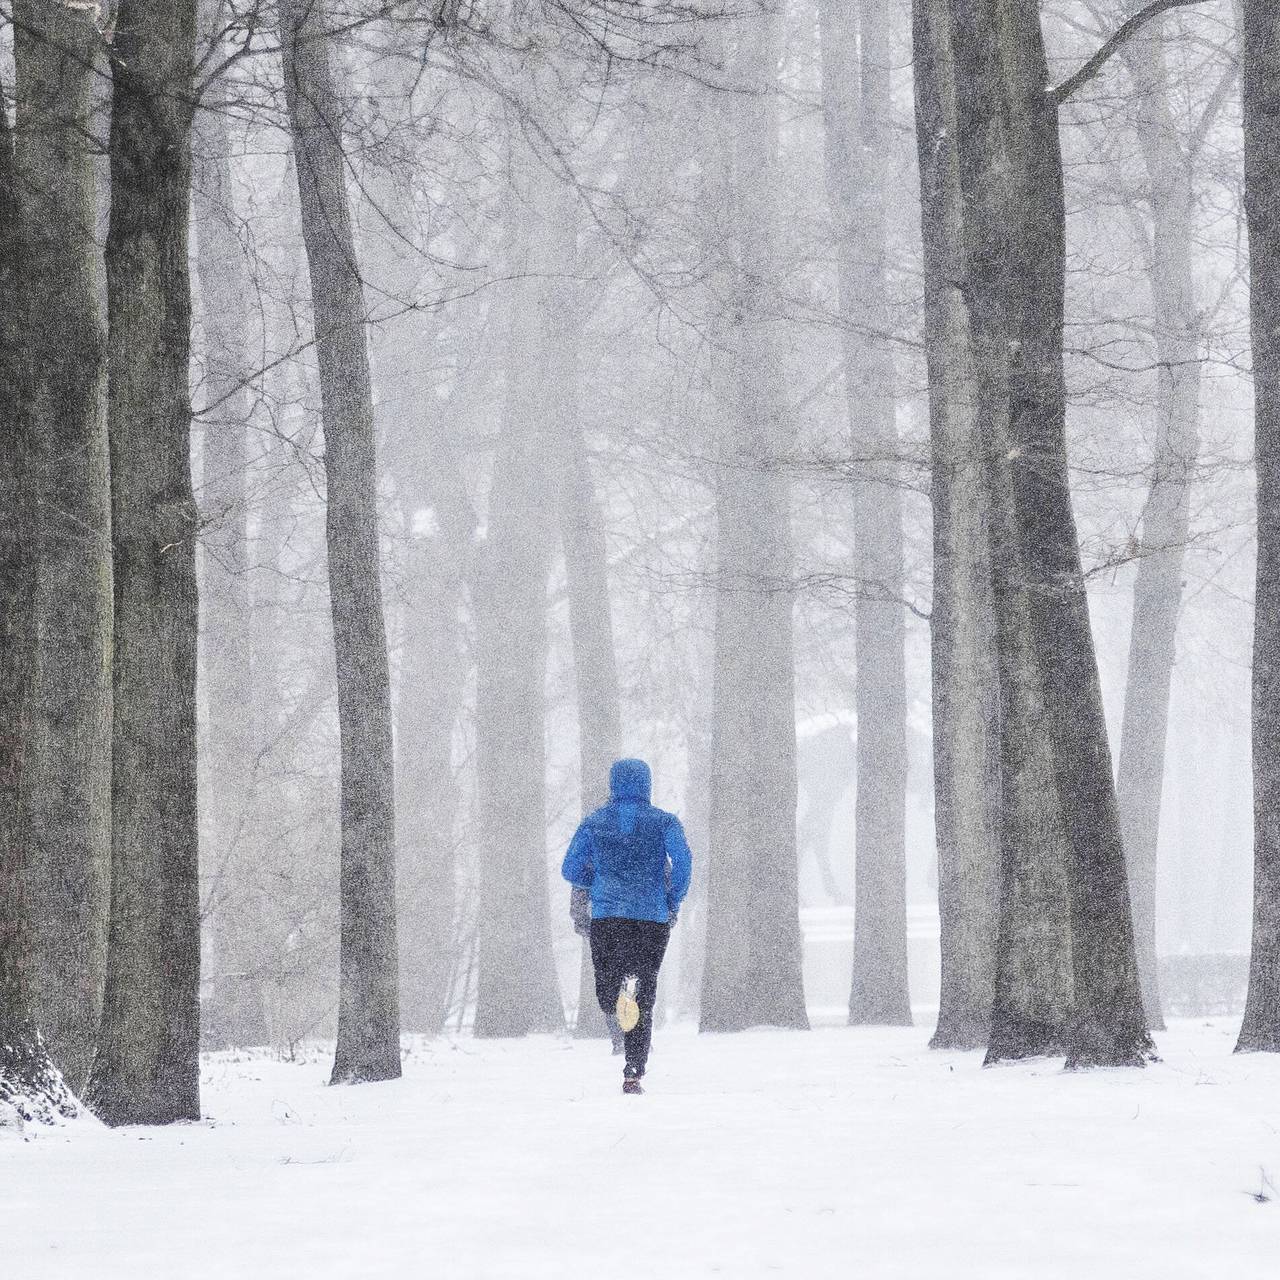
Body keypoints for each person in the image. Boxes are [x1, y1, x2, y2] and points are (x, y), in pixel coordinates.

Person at [561, 758, 692, 1095]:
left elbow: (570, 868)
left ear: (612, 784)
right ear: (647, 784)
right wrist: (672, 897)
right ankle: (634, 1065)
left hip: (609, 918)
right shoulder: (665, 823)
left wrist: (598, 878)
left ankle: (628, 1046)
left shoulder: (594, 823)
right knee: (642, 995)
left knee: (609, 991)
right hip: (651, 919)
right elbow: (684, 862)